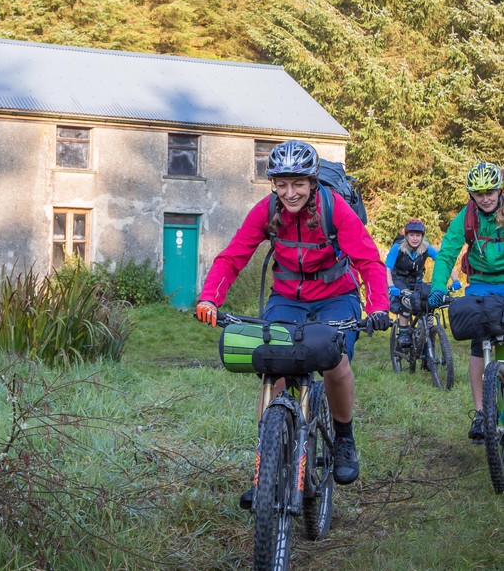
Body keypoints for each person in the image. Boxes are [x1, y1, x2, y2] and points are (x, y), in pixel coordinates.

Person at [195, 140, 390, 504]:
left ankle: (344, 439)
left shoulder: (335, 210)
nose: (290, 192)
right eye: (281, 184)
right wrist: (210, 298)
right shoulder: (267, 210)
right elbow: (232, 256)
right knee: (274, 367)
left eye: (298, 183)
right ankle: (264, 468)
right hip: (287, 298)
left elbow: (368, 261)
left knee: (334, 362)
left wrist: (379, 306)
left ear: (312, 181)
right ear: (273, 183)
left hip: (336, 297)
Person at [428, 161, 504, 444]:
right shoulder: (468, 215)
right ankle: (481, 414)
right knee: (478, 341)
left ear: (499, 189)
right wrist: (438, 287)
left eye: (491, 192)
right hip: (480, 284)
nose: (486, 198)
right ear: (471, 194)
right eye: (479, 193)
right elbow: (447, 252)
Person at [386, 219, 461, 348]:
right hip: (399, 281)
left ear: (422, 236)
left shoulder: (426, 248)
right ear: (406, 236)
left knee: (427, 302)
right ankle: (403, 332)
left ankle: (424, 338)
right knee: (406, 300)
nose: (415, 238)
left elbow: (444, 262)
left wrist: (455, 280)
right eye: (412, 235)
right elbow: (387, 269)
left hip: (416, 282)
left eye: (418, 235)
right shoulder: (397, 248)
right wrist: (391, 286)